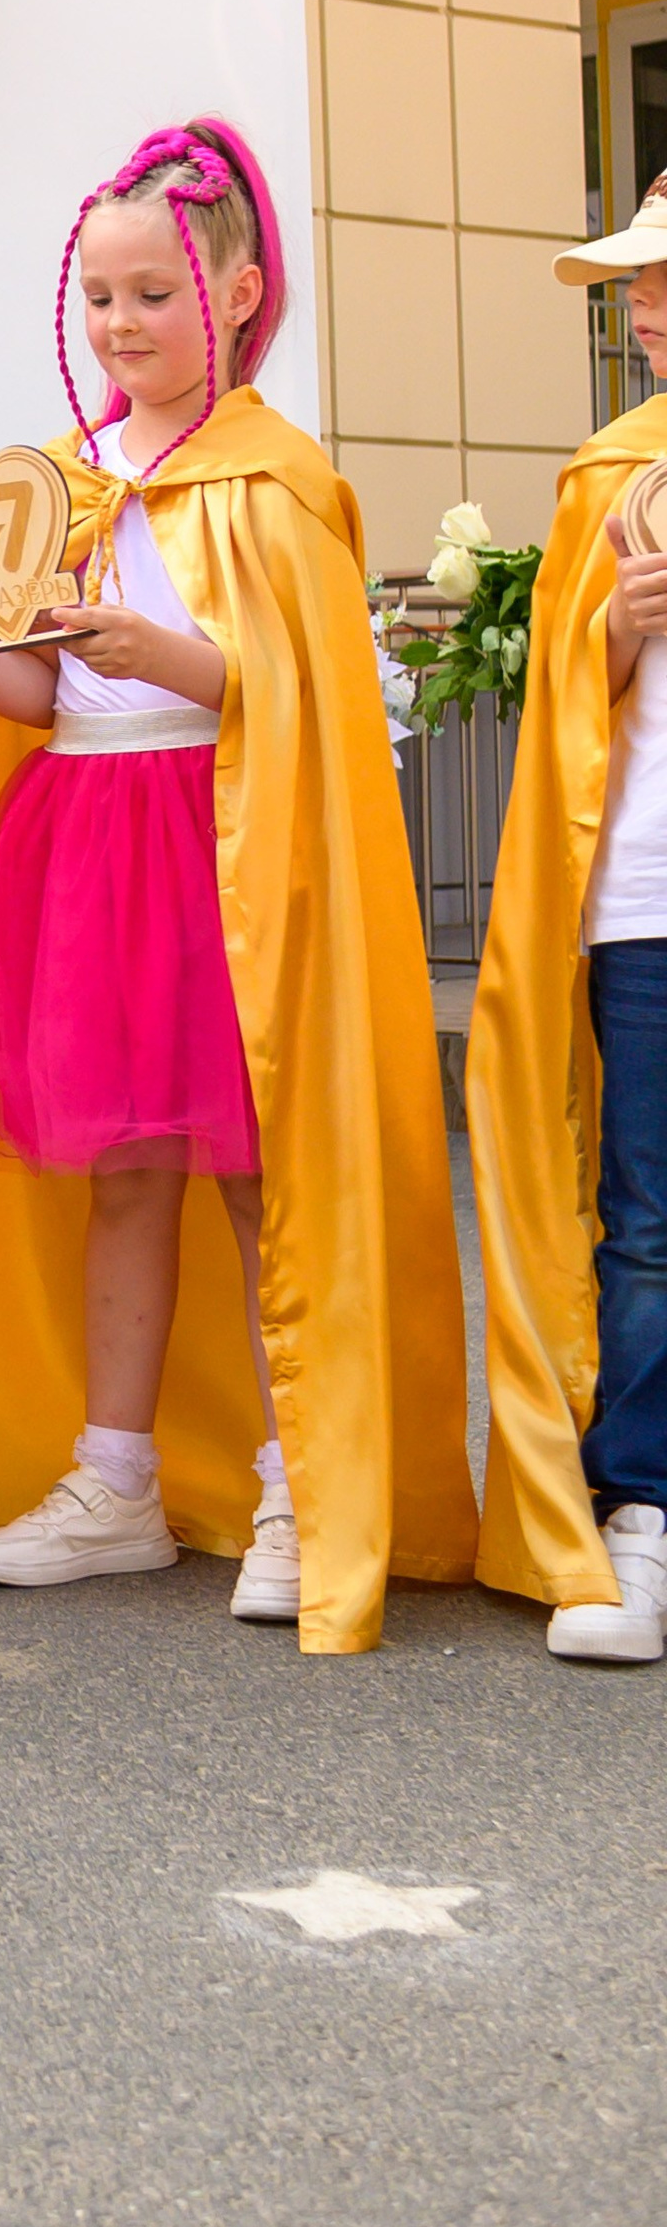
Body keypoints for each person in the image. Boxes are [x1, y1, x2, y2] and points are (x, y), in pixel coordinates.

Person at [0, 121, 476, 1654]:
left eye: (152, 296)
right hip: (86, 854)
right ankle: (115, 1481)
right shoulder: (59, 483)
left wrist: (172, 657)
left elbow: (303, 698)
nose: (122, 329)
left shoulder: (279, 482)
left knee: (268, 1172)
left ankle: (294, 1485)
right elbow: (36, 703)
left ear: (238, 295)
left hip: (227, 853)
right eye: (101, 301)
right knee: (125, 1170)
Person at [470, 175, 667, 1661]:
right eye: (637, 287)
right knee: (648, 1227)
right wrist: (614, 629)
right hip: (647, 897)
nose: (645, 311)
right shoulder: (610, 474)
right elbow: (564, 709)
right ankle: (641, 1516)